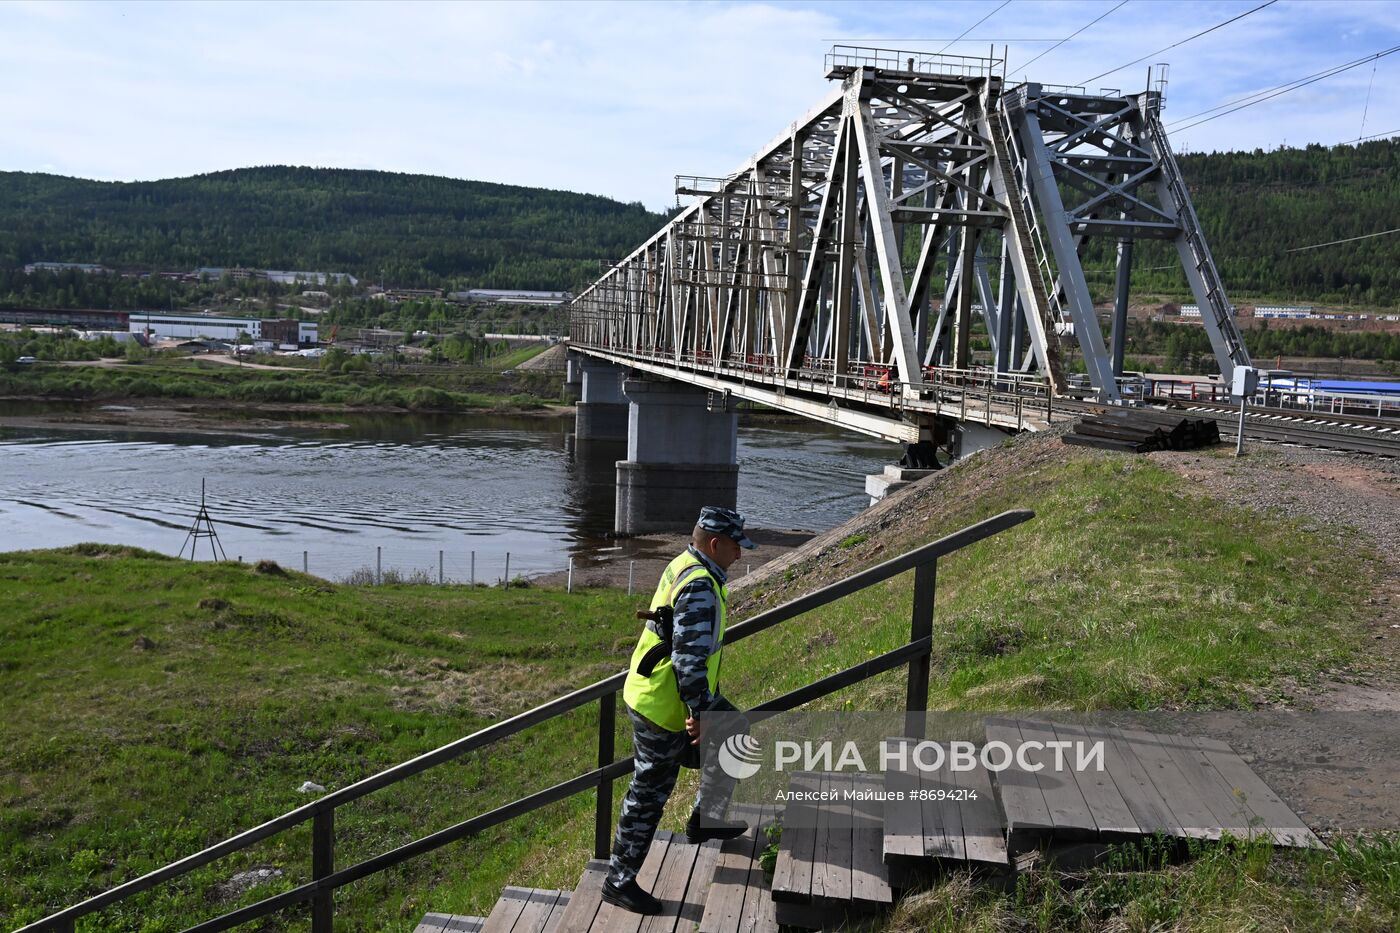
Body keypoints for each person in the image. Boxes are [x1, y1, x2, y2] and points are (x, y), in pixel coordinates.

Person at [601, 506, 756, 915]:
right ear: (716, 543)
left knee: (736, 734)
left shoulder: (687, 562)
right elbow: (688, 660)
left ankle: (708, 818)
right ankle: (618, 881)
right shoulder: (701, 584)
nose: (740, 555)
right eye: (736, 547)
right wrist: (701, 711)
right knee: (650, 792)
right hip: (662, 706)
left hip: (665, 696)